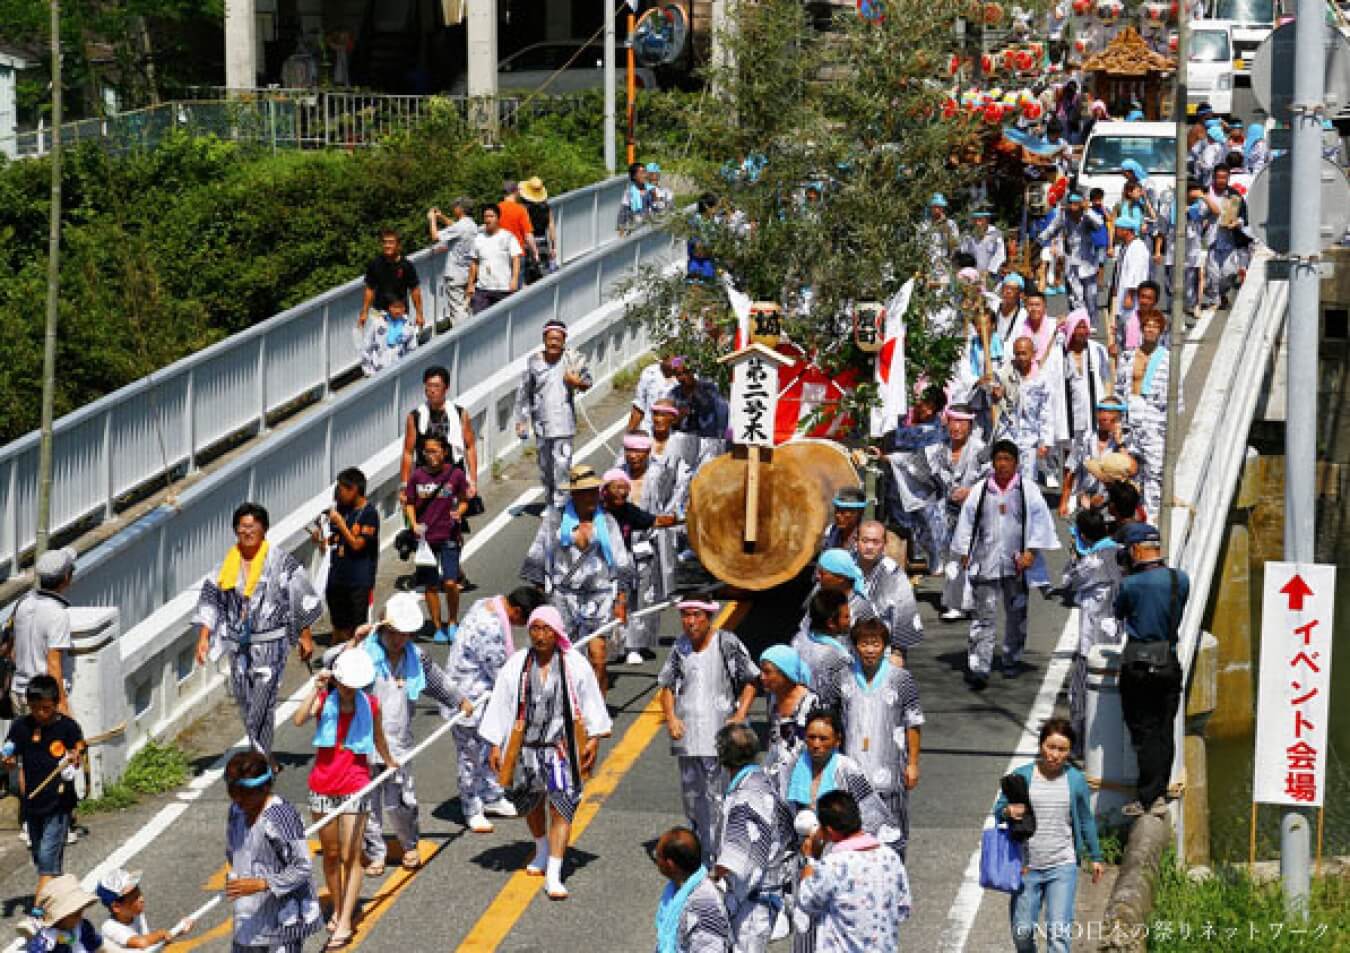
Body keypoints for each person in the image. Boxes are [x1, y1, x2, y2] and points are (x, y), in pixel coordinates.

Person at [481, 606, 613, 900]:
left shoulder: (573, 664)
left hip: (561, 749)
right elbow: (501, 703)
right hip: (526, 749)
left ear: (557, 632)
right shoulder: (517, 664)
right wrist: (494, 743)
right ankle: (541, 847)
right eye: (535, 629)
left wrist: (593, 739)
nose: (540, 636)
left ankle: (554, 871)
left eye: (546, 629)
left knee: (561, 805)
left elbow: (590, 700)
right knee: (530, 804)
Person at [349, 593, 473, 868]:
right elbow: (337, 668)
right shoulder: (362, 655)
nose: (399, 641)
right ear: (382, 629)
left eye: (405, 635)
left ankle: (409, 843)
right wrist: (354, 643)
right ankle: (375, 852)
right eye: (394, 634)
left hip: (399, 742)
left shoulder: (416, 657)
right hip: (363, 741)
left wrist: (460, 701)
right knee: (368, 804)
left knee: (402, 800)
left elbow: (439, 682)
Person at [194, 502, 320, 766]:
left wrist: (304, 635)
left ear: (263, 528)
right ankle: (265, 755)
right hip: (239, 645)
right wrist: (204, 637)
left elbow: (298, 596)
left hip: (271, 643)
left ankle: (258, 759)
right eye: (242, 527)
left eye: (252, 526)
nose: (247, 532)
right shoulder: (226, 565)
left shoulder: (280, 561)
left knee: (262, 701)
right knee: (247, 702)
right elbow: (211, 599)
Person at [293, 648, 397, 948]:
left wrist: (389, 761)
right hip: (322, 785)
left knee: (352, 854)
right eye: (346, 683)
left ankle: (345, 917)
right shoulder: (324, 700)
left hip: (356, 783)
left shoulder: (371, 704)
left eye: (356, 684)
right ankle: (338, 906)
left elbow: (378, 737)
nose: (350, 690)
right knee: (332, 854)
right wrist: (315, 688)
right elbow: (299, 719)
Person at [951, 440, 1061, 688]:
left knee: (1016, 614)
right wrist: (964, 552)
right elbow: (967, 523)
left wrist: (1031, 552)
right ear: (992, 462)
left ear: (1016, 463)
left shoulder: (1027, 490)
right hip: (985, 561)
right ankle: (979, 665)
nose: (1002, 464)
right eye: (998, 459)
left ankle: (1012, 658)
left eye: (1007, 459)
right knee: (983, 615)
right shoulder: (980, 490)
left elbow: (1041, 522)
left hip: (1016, 564)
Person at [657, 599, 759, 864]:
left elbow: (750, 680)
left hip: (719, 734)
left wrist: (739, 715)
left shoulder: (726, 642)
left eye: (696, 615)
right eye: (686, 616)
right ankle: (700, 851)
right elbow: (666, 685)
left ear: (709, 617)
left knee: (718, 796)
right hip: (688, 736)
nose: (691, 622)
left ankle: (721, 856)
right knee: (692, 795)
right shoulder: (679, 647)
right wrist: (671, 718)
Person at [521, 464, 636, 692]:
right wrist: (541, 601)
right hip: (564, 597)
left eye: (594, 491)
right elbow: (536, 556)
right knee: (566, 658)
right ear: (574, 494)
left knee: (598, 657)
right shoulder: (554, 520)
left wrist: (621, 600)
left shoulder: (608, 522)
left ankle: (598, 710)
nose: (591, 497)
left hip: (600, 596)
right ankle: (572, 707)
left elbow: (623, 562)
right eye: (585, 492)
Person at [993, 718, 1104, 953]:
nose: (1055, 754)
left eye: (1062, 749)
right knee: (1022, 933)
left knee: (1059, 936)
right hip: (1026, 867)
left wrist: (1095, 856)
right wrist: (1008, 811)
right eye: (1050, 747)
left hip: (1062, 866)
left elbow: (1085, 819)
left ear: (1069, 751)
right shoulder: (1022, 776)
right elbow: (999, 810)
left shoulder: (1075, 780)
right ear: (1041, 745)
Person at [445, 586, 545, 833]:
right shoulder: (488, 626)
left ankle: (492, 795)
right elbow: (500, 671)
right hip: (468, 698)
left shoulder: (489, 602)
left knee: (492, 746)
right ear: (518, 612)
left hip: (486, 696)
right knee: (470, 755)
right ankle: (472, 807)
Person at [1114, 524, 1189, 818]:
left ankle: (1147, 798)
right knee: (1163, 729)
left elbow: (1118, 613)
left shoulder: (1130, 585)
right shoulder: (1179, 579)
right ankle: (1158, 792)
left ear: (1135, 550)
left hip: (1138, 667)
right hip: (1168, 661)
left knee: (1143, 732)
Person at [833, 617, 923, 858]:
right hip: (852, 770)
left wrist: (913, 764)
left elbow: (913, 722)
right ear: (854, 646)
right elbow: (832, 722)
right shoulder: (842, 677)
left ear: (884, 646)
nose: (870, 650)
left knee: (893, 836)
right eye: (864, 644)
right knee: (852, 840)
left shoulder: (901, 678)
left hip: (890, 771)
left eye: (875, 644)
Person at [222, 750, 324, 953]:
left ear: (265, 788)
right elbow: (235, 851)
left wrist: (263, 883)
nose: (239, 800)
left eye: (245, 794)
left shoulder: (280, 816)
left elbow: (302, 866)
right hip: (247, 914)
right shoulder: (236, 810)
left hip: (281, 921)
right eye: (233, 793)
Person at [709, 723, 794, 953]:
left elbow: (735, 855)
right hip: (769, 889)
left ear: (722, 758)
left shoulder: (747, 796)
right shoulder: (762, 781)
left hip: (753, 900)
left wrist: (712, 878)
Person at [795, 790, 912, 953]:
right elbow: (902, 909)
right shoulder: (890, 856)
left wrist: (810, 860)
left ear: (830, 831)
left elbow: (808, 902)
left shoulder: (833, 865)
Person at [3, 676, 84, 896]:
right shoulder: (21, 726)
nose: (40, 713)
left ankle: (40, 910)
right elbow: (10, 748)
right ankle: (58, 896)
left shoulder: (67, 727)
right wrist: (7, 759)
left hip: (58, 801)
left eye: (46, 708)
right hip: (31, 800)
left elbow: (79, 746)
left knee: (48, 854)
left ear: (56, 704)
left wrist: (76, 755)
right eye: (35, 708)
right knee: (39, 854)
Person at [1056, 509, 1123, 758]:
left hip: (1093, 640)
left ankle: (1079, 747)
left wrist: (1074, 556)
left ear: (1083, 535)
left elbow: (1067, 581)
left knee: (1081, 695)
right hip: (1118, 636)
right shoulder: (1120, 551)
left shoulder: (1092, 560)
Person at [514, 320, 593, 509]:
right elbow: (524, 392)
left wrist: (577, 382)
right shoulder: (533, 361)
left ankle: (561, 504)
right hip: (542, 423)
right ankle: (550, 501)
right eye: (550, 339)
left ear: (564, 340)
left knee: (562, 464)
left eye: (558, 339)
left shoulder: (572, 359)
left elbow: (588, 381)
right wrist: (521, 421)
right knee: (545, 467)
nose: (554, 343)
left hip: (564, 423)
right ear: (544, 339)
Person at [404, 434, 469, 642]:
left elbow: (465, 499)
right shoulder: (417, 476)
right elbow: (410, 503)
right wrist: (413, 524)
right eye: (427, 452)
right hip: (425, 540)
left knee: (450, 582)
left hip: (449, 535)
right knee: (430, 585)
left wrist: (459, 511)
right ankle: (437, 626)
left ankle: (452, 621)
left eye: (435, 451)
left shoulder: (456, 474)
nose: (430, 456)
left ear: (445, 452)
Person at [401, 363, 479, 516]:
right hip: (425, 478)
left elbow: (469, 447)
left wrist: (473, 480)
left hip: (452, 476)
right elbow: (408, 452)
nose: (432, 390)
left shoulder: (459, 414)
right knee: (425, 521)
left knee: (452, 521)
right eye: (428, 386)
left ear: (446, 388)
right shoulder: (415, 417)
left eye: (436, 386)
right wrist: (404, 486)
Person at [1116, 310, 1173, 518]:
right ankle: (1132, 513)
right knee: (1131, 471)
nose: (1150, 330)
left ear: (1161, 331)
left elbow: (1174, 399)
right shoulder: (1128, 356)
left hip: (1154, 420)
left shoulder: (1168, 359)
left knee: (1154, 471)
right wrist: (1117, 423)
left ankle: (1152, 515)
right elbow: (1119, 389)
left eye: (1155, 326)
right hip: (1131, 416)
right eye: (1147, 325)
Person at [937, 405, 991, 621]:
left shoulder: (981, 449)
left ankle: (974, 601)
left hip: (975, 510)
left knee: (974, 556)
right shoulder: (940, 449)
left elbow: (993, 480)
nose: (957, 427)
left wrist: (970, 491)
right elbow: (916, 464)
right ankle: (955, 603)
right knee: (952, 556)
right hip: (948, 512)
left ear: (970, 425)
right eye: (953, 421)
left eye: (962, 422)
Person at [8, 546, 77, 716]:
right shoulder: (57, 614)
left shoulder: (23, 603)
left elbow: (12, 653)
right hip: (44, 701)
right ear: (66, 578)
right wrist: (62, 705)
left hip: (19, 693)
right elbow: (53, 665)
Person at [317, 468, 379, 647]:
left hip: (359, 579)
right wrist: (322, 538)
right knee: (338, 623)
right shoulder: (342, 510)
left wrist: (341, 524)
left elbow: (357, 545)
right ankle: (338, 655)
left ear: (353, 490)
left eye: (341, 490)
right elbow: (335, 538)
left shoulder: (369, 514)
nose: (339, 494)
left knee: (358, 629)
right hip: (337, 576)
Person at [1046, 311, 1111, 477]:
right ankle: (1069, 494)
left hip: (1092, 411)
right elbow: (1048, 380)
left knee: (1094, 453)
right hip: (1070, 414)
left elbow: (1106, 378)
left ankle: (1088, 492)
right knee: (1071, 455)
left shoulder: (1097, 350)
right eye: (1077, 327)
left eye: (1084, 327)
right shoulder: (1058, 353)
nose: (1081, 331)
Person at [652, 827, 733, 953]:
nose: (656, 860)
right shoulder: (677, 889)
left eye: (658, 856)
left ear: (670, 864)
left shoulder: (704, 906)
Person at [855, 520, 923, 660]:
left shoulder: (894, 574)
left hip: (879, 648)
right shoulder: (843, 566)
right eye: (865, 541)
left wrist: (898, 653)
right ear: (856, 541)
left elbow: (905, 617)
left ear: (884, 545)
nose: (869, 546)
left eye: (876, 542)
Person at [758, 645, 820, 794]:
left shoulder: (811, 703)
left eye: (767, 672)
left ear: (785, 673)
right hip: (775, 781)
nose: (762, 677)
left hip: (803, 782)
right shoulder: (773, 699)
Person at [992, 337, 1053, 485]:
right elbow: (991, 392)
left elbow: (1046, 410)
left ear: (1033, 354)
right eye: (1017, 354)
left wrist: (1045, 441)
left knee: (1027, 481)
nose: (1020, 357)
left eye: (1024, 353)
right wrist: (994, 394)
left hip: (1030, 437)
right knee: (1005, 476)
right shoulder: (1004, 373)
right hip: (1007, 433)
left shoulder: (1042, 378)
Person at [1039, 192, 1106, 327]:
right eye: (1071, 203)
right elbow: (1052, 228)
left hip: (1087, 260)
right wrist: (1041, 239)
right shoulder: (1064, 215)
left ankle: (1092, 322)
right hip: (1071, 260)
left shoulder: (1087, 215)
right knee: (1076, 294)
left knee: (1091, 294)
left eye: (1076, 203)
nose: (1073, 206)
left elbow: (1099, 224)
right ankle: (1080, 321)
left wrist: (1087, 210)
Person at [1060, 399, 1135, 517]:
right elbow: (1070, 469)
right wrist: (1064, 502)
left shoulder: (1126, 441)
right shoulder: (1085, 439)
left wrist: (1120, 444)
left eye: (1110, 414)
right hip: (1084, 501)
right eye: (1101, 413)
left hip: (1111, 505)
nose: (1104, 417)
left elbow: (1130, 470)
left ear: (1118, 418)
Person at [95, 867, 194, 952]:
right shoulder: (110, 928)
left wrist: (178, 930)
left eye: (139, 893)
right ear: (116, 907)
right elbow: (142, 943)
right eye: (134, 897)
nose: (141, 899)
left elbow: (149, 944)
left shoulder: (136, 914)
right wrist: (161, 934)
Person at [791, 588, 854, 700]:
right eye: (846, 617)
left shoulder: (798, 640)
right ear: (831, 623)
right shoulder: (838, 657)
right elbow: (846, 697)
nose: (850, 620)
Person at [358, 228, 424, 334]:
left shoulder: (406, 266)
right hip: (378, 313)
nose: (387, 246)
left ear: (398, 245)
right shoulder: (375, 264)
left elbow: (415, 290)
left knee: (396, 344)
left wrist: (419, 314)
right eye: (384, 242)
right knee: (379, 344)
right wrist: (364, 312)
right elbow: (369, 289)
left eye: (391, 243)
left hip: (399, 313)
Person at [466, 204, 523, 314]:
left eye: (491, 216)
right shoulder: (478, 239)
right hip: (482, 288)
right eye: (485, 217)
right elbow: (474, 263)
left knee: (503, 319)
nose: (488, 220)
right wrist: (470, 284)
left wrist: (515, 279)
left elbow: (516, 258)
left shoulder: (508, 237)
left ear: (498, 218)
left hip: (503, 288)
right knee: (480, 320)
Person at [428, 198, 476, 328]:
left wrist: (432, 219)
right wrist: (441, 217)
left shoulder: (460, 226)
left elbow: (435, 236)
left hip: (455, 273)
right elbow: (454, 227)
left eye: (455, 206)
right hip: (468, 272)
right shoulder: (472, 225)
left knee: (458, 310)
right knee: (466, 307)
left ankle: (463, 337)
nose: (454, 209)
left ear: (460, 209)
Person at [23, 875, 102, 953]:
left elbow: (94, 944)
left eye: (81, 911)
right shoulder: (46, 943)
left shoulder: (83, 927)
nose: (80, 917)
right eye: (76, 914)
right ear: (60, 917)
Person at [1109, 212, 1149, 361]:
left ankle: (1132, 360)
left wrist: (1130, 294)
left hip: (1130, 298)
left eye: (1118, 228)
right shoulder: (1125, 247)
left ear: (1127, 230)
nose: (1116, 232)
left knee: (1132, 328)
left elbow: (1136, 273)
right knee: (1122, 330)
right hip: (1122, 294)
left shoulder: (1138, 247)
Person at [518, 177, 558, 282]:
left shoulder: (523, 208)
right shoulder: (546, 208)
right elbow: (551, 227)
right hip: (542, 242)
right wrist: (553, 247)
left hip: (527, 242)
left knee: (527, 274)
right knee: (542, 272)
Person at [628, 356, 680, 433]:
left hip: (672, 435)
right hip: (648, 432)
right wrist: (630, 435)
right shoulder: (650, 372)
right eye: (668, 356)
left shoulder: (685, 377)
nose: (672, 361)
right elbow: (639, 407)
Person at [919, 193, 961, 286]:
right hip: (928, 264)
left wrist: (951, 263)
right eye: (934, 206)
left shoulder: (951, 224)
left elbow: (955, 246)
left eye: (939, 206)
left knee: (943, 289)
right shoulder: (924, 225)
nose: (936, 209)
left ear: (943, 208)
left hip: (945, 264)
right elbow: (920, 245)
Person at [961, 207, 1007, 283]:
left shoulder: (996, 234)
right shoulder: (969, 236)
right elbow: (964, 253)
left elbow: (1000, 255)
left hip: (992, 275)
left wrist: (989, 271)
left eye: (980, 220)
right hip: (973, 275)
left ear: (987, 220)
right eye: (975, 220)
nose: (977, 223)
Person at [497, 181, 539, 262]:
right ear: (516, 192)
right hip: (517, 253)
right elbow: (528, 235)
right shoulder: (521, 209)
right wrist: (535, 252)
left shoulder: (496, 209)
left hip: (501, 254)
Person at [822, 486, 866, 555]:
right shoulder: (830, 532)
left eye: (844, 511)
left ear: (859, 513)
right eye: (837, 510)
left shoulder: (868, 538)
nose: (838, 515)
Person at [993, 273, 1027, 343]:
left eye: (1013, 289)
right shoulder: (993, 306)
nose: (1008, 291)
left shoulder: (1024, 315)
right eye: (1006, 288)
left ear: (1021, 294)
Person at [619, 162, 649, 234]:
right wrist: (621, 231)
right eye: (641, 173)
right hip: (636, 231)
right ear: (634, 176)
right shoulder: (629, 193)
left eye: (645, 172)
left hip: (650, 228)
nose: (644, 175)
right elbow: (623, 212)